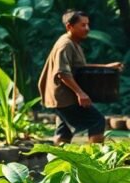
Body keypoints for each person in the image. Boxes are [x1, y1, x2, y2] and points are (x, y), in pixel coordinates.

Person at [38, 10, 124, 144]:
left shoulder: (73, 43)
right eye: (83, 25)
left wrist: (106, 67)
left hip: (62, 98)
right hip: (64, 97)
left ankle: (57, 160)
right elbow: (62, 73)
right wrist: (81, 93)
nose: (87, 29)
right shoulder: (65, 44)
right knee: (97, 121)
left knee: (64, 131)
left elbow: (80, 67)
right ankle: (95, 159)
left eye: (87, 25)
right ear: (69, 27)